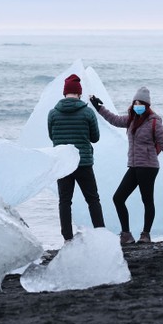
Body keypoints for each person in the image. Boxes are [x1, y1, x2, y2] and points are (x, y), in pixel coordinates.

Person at [89, 86, 163, 245]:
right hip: (134, 166)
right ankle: (126, 234)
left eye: (141, 104)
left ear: (147, 105)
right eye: (135, 103)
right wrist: (98, 107)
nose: (138, 106)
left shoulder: (154, 122)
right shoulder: (131, 119)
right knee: (118, 198)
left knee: (147, 200)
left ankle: (146, 234)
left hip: (149, 167)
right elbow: (114, 119)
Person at [47, 73, 105, 242]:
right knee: (93, 200)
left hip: (63, 164)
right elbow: (95, 138)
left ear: (64, 93)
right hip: (84, 162)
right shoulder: (87, 112)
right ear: (79, 93)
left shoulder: (53, 113)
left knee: (65, 201)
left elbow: (52, 137)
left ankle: (67, 238)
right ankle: (100, 234)